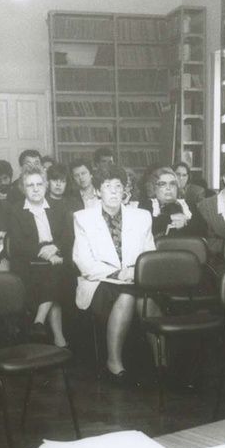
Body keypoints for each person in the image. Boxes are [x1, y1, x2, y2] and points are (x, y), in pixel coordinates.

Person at [73, 162, 155, 380]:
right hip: (99, 283)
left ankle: (161, 362)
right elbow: (84, 262)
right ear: (98, 191)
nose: (114, 192)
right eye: (108, 187)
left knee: (144, 299)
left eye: (118, 187)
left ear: (125, 190)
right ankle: (114, 361)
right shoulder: (83, 218)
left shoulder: (142, 217)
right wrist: (117, 274)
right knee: (129, 296)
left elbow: (149, 255)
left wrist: (134, 272)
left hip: (134, 279)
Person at [6, 166, 73, 347]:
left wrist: (55, 248)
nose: (35, 189)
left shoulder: (59, 207)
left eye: (39, 184)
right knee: (54, 274)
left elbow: (68, 237)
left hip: (56, 259)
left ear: (45, 186)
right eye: (30, 185)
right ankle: (59, 339)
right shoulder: (15, 210)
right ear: (23, 188)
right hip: (28, 263)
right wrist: (46, 253)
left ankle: (39, 322)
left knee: (56, 272)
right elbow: (18, 244)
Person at [147, 166, 208, 240]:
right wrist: (171, 218)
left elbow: (205, 229)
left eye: (172, 184)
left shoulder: (187, 205)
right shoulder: (147, 205)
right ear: (154, 188)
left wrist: (185, 222)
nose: (168, 188)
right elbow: (147, 226)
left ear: (177, 187)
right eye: (162, 184)